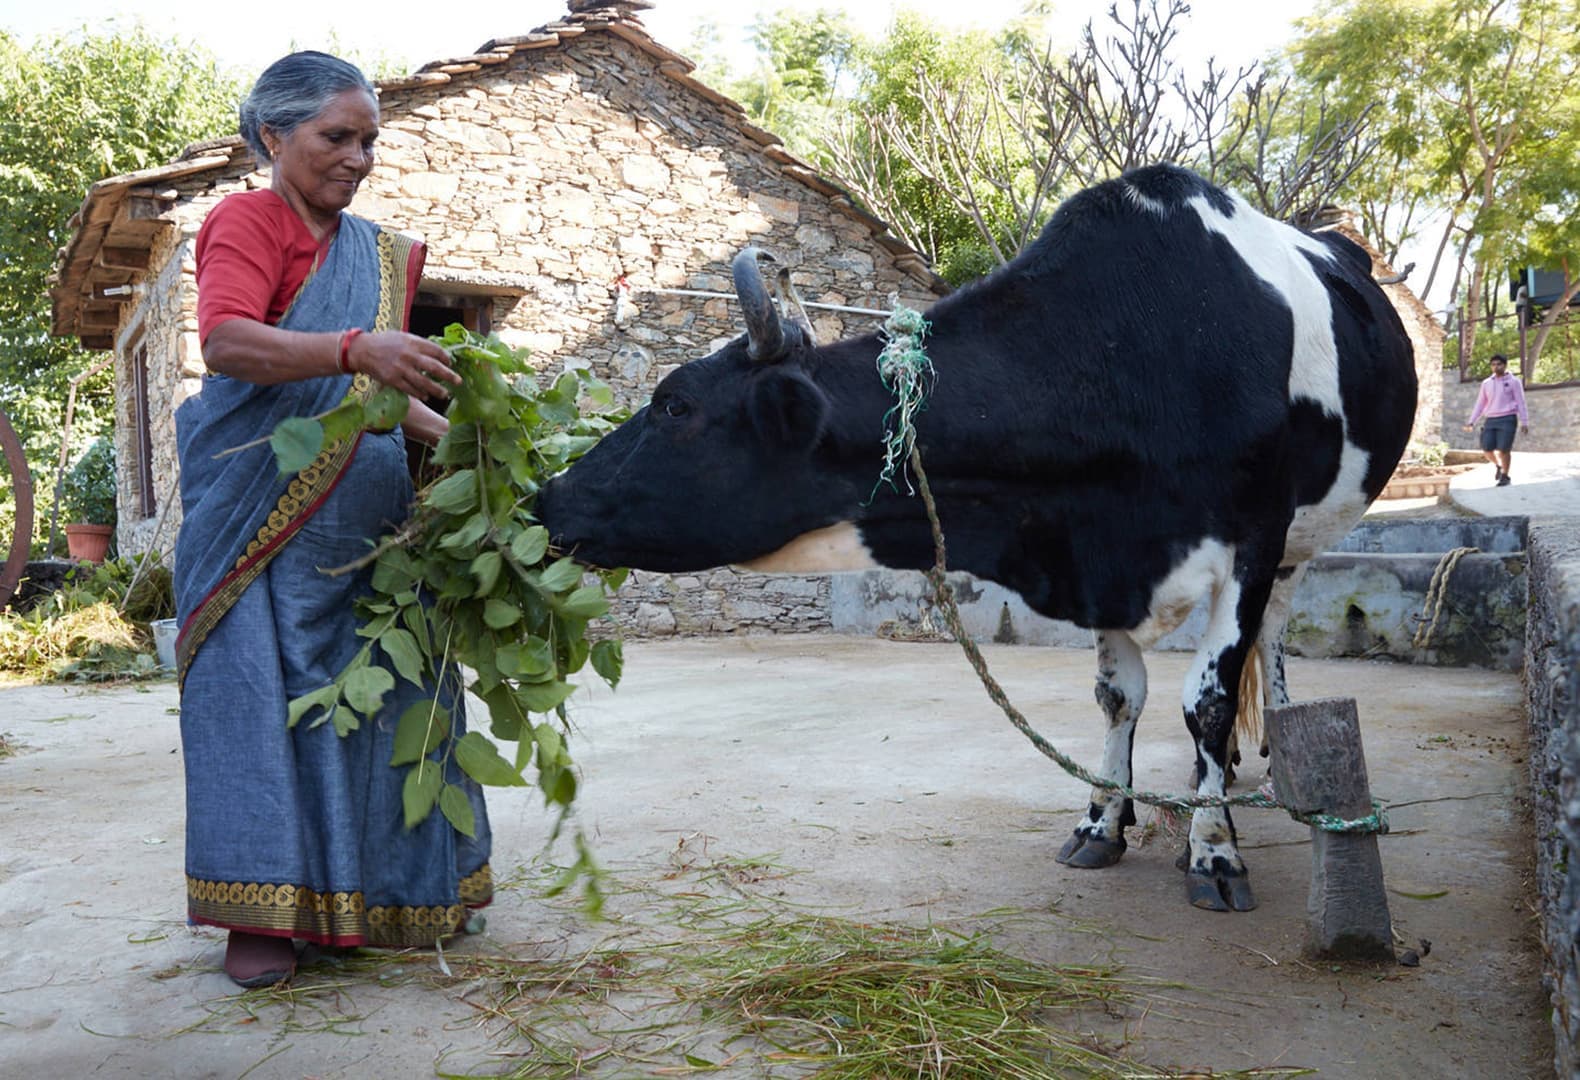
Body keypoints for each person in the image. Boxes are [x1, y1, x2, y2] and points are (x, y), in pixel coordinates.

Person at [173, 52, 491, 989]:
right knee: (264, 702)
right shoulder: (248, 221)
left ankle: (399, 893)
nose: (358, 158)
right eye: (337, 137)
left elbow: (371, 399)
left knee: (390, 699)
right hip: (261, 524)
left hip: (369, 529)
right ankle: (264, 913)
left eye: (369, 141)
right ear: (274, 136)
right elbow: (227, 342)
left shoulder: (374, 255)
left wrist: (462, 440)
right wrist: (357, 347)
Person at [1463, 353, 1531, 486]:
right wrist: (1472, 421)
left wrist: (1524, 421)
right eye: (1493, 364)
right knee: (1487, 448)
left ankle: (1505, 476)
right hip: (1491, 419)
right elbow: (1480, 404)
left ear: (1505, 365)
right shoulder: (1486, 383)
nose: (1496, 367)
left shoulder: (1514, 382)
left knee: (1504, 449)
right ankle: (1498, 465)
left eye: (1499, 364)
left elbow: (1521, 402)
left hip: (1508, 418)